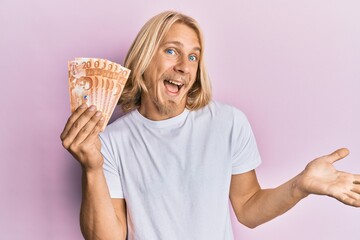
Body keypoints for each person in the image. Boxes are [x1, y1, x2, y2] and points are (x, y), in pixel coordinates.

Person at [60, 11, 360, 240]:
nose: (184, 66)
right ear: (143, 58)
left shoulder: (228, 122)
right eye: (171, 51)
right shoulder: (111, 141)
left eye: (193, 56)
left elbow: (249, 208)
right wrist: (92, 168)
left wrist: (301, 185)